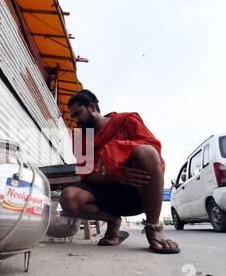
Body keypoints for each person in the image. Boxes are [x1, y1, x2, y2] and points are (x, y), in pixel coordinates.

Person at [59, 90, 180, 254]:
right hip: (105, 194)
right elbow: (86, 176)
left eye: (78, 114)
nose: (76, 121)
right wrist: (114, 174)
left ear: (92, 107)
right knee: (68, 198)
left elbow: (154, 153)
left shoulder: (126, 120)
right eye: (73, 117)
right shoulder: (81, 139)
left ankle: (153, 226)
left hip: (138, 192)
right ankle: (113, 221)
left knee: (147, 152)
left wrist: (113, 152)